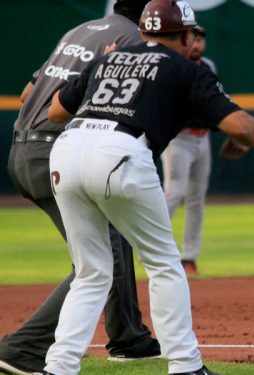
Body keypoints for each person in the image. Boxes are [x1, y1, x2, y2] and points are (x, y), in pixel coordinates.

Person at [44, 0, 254, 374]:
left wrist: (107, 72)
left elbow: (56, 111)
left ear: (143, 31)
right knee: (163, 263)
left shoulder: (111, 58)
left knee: (92, 271)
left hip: (67, 150)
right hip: (120, 151)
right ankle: (186, 365)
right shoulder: (187, 68)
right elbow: (238, 128)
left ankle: (58, 367)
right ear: (188, 36)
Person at [2, 1, 160, 373]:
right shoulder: (135, 39)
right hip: (54, 153)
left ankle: (129, 338)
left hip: (24, 147)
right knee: (99, 262)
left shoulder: (81, 31)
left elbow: (28, 94)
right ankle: (22, 349)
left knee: (114, 240)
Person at [160, 25, 214, 276]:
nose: (198, 42)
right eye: (194, 37)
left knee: (196, 200)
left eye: (201, 38)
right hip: (178, 139)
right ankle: (151, 247)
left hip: (202, 139)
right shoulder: (173, 65)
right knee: (174, 193)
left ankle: (189, 257)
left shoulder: (208, 67)